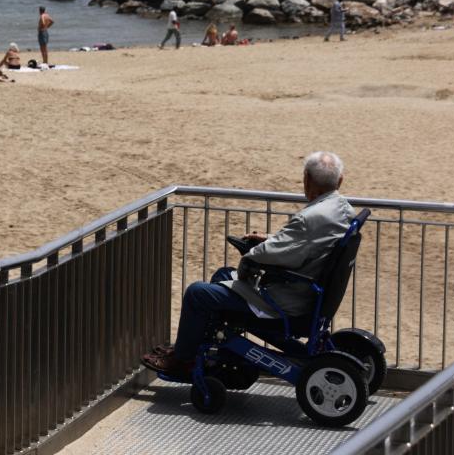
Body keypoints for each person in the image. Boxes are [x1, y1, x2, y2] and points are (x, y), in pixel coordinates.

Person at [141, 152, 355, 377]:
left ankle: (183, 360)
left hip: (287, 302)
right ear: (340, 181)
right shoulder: (343, 210)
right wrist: (270, 238)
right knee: (223, 275)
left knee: (198, 293)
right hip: (312, 296)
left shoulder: (308, 218)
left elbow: (267, 255)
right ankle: (197, 349)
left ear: (307, 179)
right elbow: (304, 243)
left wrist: (249, 256)